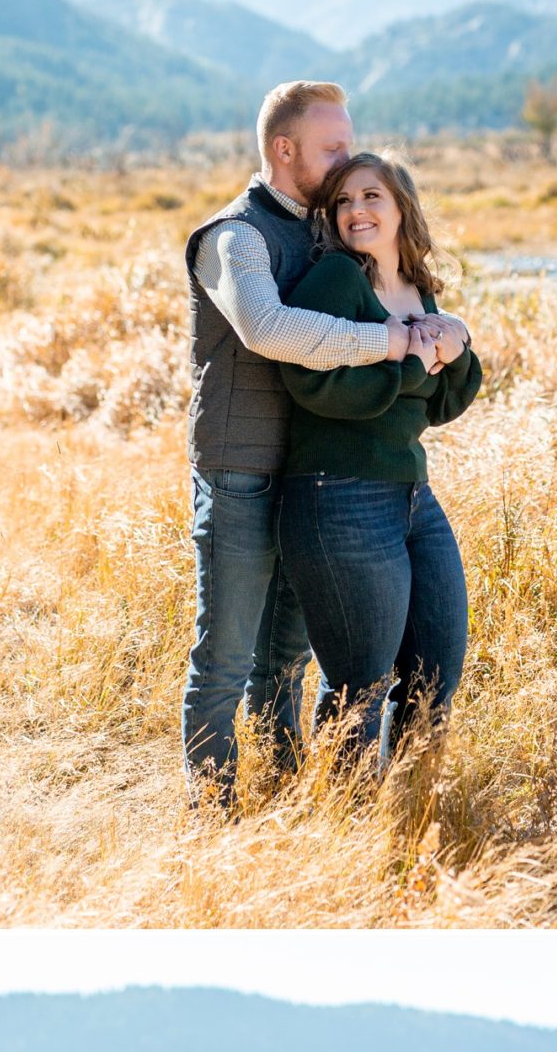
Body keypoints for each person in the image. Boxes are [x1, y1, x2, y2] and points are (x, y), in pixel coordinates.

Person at [181, 83, 459, 800]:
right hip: (241, 468)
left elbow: (390, 286)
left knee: (288, 657)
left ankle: (284, 787)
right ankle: (212, 804)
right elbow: (270, 331)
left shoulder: (323, 234)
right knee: (228, 655)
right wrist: (396, 343)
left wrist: (445, 329)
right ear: (284, 149)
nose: (344, 163)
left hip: (316, 476)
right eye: (332, 148)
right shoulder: (232, 237)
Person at [276, 152, 482, 766]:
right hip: (337, 494)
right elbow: (312, 384)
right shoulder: (337, 280)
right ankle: (347, 827)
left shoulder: (420, 290)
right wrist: (414, 364)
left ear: (402, 208)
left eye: (371, 197)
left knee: (436, 672)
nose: (355, 211)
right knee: (357, 688)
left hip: (411, 494)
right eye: (342, 201)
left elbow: (442, 403)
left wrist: (458, 341)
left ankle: (411, 804)